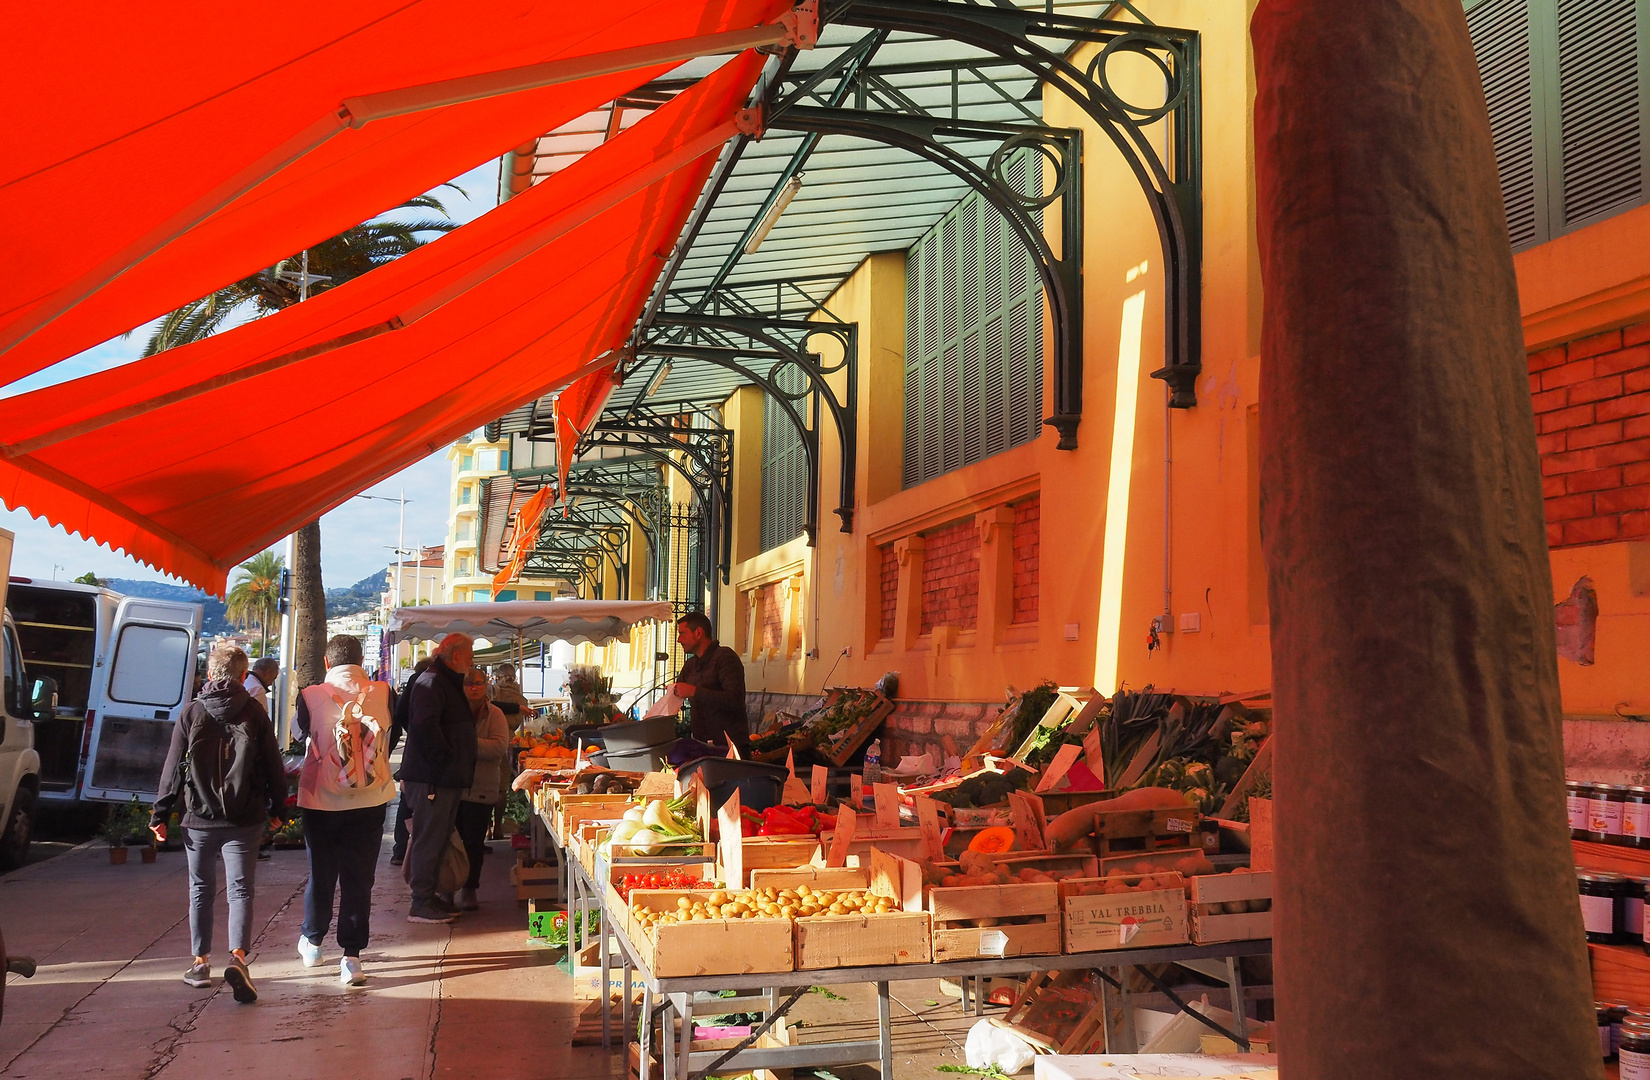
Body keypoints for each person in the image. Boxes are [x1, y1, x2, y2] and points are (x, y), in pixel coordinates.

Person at [150, 644, 285, 1004]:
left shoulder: (191, 712)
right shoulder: (254, 712)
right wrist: (279, 808)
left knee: (200, 890)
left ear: (210, 675)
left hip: (199, 818)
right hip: (245, 817)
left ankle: (200, 963)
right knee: (241, 889)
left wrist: (160, 815)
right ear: (244, 676)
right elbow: (273, 763)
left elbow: (173, 767)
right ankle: (238, 958)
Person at [292, 635, 394, 987]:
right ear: (362, 660)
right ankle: (352, 957)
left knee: (322, 872)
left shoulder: (310, 696)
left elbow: (298, 734)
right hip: (371, 799)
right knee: (359, 878)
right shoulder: (383, 693)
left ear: (326, 663)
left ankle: (313, 941)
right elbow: (388, 739)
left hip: (322, 800)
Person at [399, 634, 477, 924]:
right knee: (428, 837)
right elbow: (422, 726)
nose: (472, 660)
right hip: (434, 778)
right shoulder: (431, 682)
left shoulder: (442, 681)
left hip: (444, 776)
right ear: (455, 656)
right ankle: (420, 901)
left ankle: (429, 896)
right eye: (469, 654)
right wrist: (444, 758)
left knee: (438, 836)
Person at [453, 668, 508, 911]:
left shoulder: (495, 714)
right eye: (468, 683)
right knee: (450, 843)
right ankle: (447, 888)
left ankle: (469, 889)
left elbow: (498, 747)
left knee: (474, 843)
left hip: (482, 789)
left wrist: (465, 745)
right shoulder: (452, 712)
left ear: (486, 685)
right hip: (453, 788)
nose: (474, 687)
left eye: (478, 683)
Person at [671, 612, 749, 754]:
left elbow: (735, 699)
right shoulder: (690, 665)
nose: (679, 639)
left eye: (683, 633)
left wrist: (694, 691)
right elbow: (675, 695)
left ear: (698, 632)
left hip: (731, 749)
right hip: (702, 747)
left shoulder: (725, 658)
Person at [388, 657, 431, 867]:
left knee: (406, 802)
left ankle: (400, 850)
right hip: (422, 754)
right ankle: (409, 850)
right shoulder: (425, 684)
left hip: (412, 752)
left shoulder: (413, 685)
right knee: (413, 801)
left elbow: (399, 714)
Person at [490, 664, 532, 732]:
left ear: (498, 677)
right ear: (515, 677)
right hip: (510, 736)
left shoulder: (491, 693)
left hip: (493, 735)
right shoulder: (521, 699)